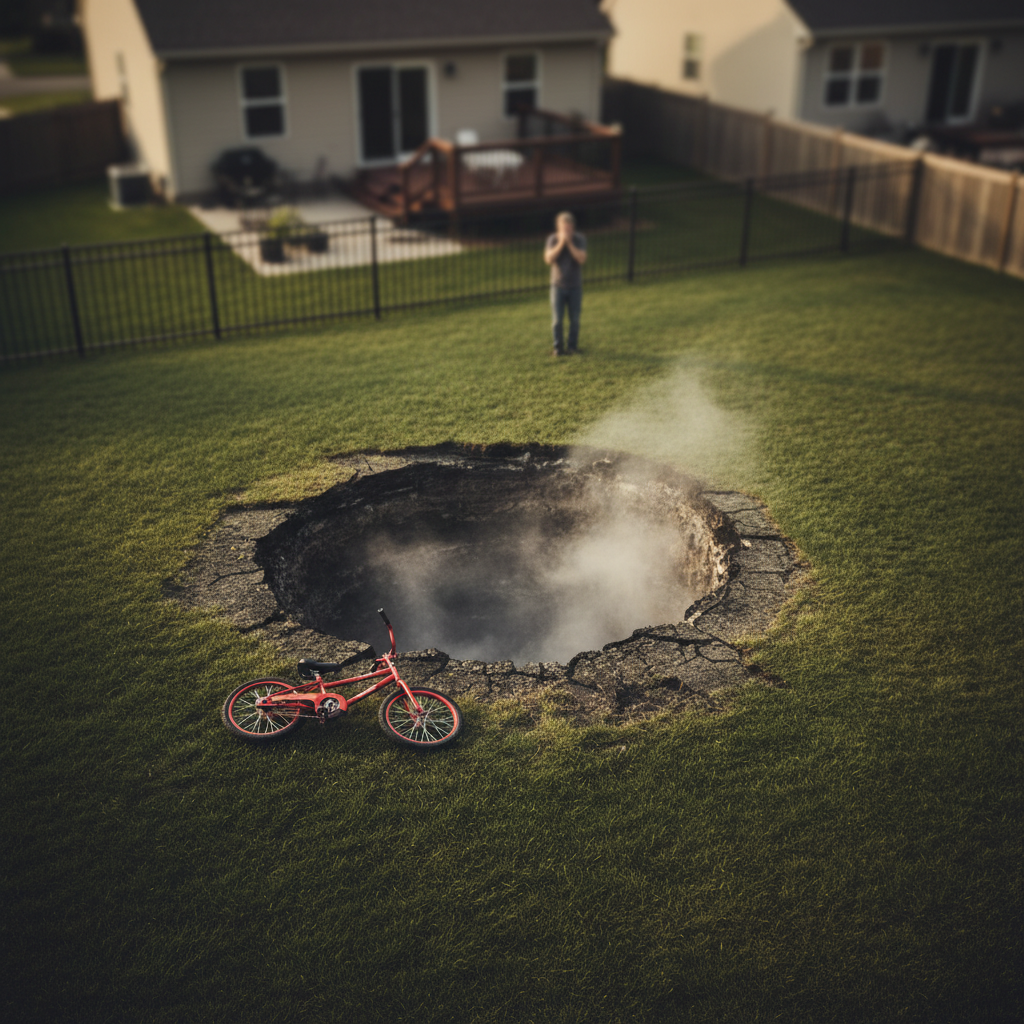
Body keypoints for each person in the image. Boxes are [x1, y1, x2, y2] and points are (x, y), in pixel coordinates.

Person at [544, 211, 587, 356]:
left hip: (575, 286)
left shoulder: (579, 239)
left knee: (574, 320)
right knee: (557, 320)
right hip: (558, 286)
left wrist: (569, 244)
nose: (567, 232)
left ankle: (573, 347)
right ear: (558, 227)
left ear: (573, 227)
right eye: (564, 229)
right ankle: (558, 348)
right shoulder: (552, 240)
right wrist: (562, 242)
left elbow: (581, 259)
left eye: (569, 229)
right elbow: (549, 259)